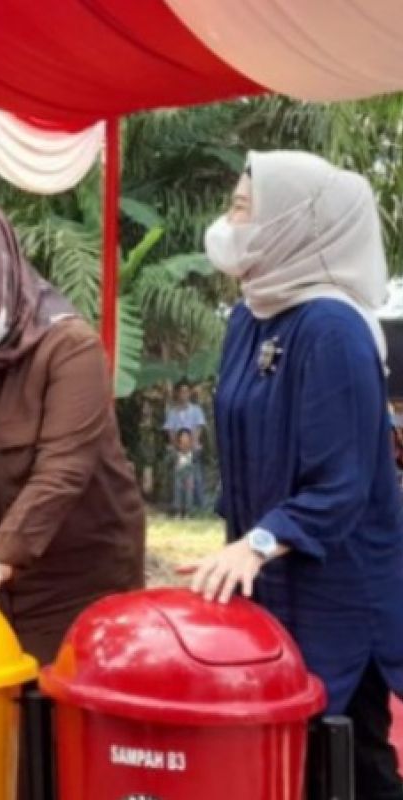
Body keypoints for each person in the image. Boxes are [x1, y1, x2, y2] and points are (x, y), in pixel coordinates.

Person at [189, 151, 403, 798]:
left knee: (348, 763)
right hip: (272, 582)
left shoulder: (332, 328)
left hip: (337, 591)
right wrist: (242, 547)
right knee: (286, 764)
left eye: (243, 208)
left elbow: (341, 485)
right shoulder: (249, 318)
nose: (229, 221)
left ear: (293, 223)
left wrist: (256, 544)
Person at [0, 194, 145, 666]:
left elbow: (62, 473)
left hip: (80, 583)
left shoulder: (69, 349)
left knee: (70, 718)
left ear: (5, 286)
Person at [164, 378, 207, 508]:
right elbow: (170, 431)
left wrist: (191, 445)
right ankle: (176, 505)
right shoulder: (172, 412)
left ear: (189, 393)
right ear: (177, 393)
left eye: (186, 391)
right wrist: (177, 446)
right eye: (181, 392)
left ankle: (199, 505)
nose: (184, 394)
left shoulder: (196, 410)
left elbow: (198, 428)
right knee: (177, 476)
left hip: (192, 447)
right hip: (178, 448)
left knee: (196, 475)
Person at [169, 428, 198, 518]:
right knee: (178, 489)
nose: (185, 440)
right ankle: (177, 511)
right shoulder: (175, 453)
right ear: (179, 440)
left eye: (187, 438)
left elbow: (195, 465)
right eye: (183, 438)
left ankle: (188, 512)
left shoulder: (194, 453)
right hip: (178, 474)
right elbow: (171, 464)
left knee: (189, 490)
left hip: (189, 474)